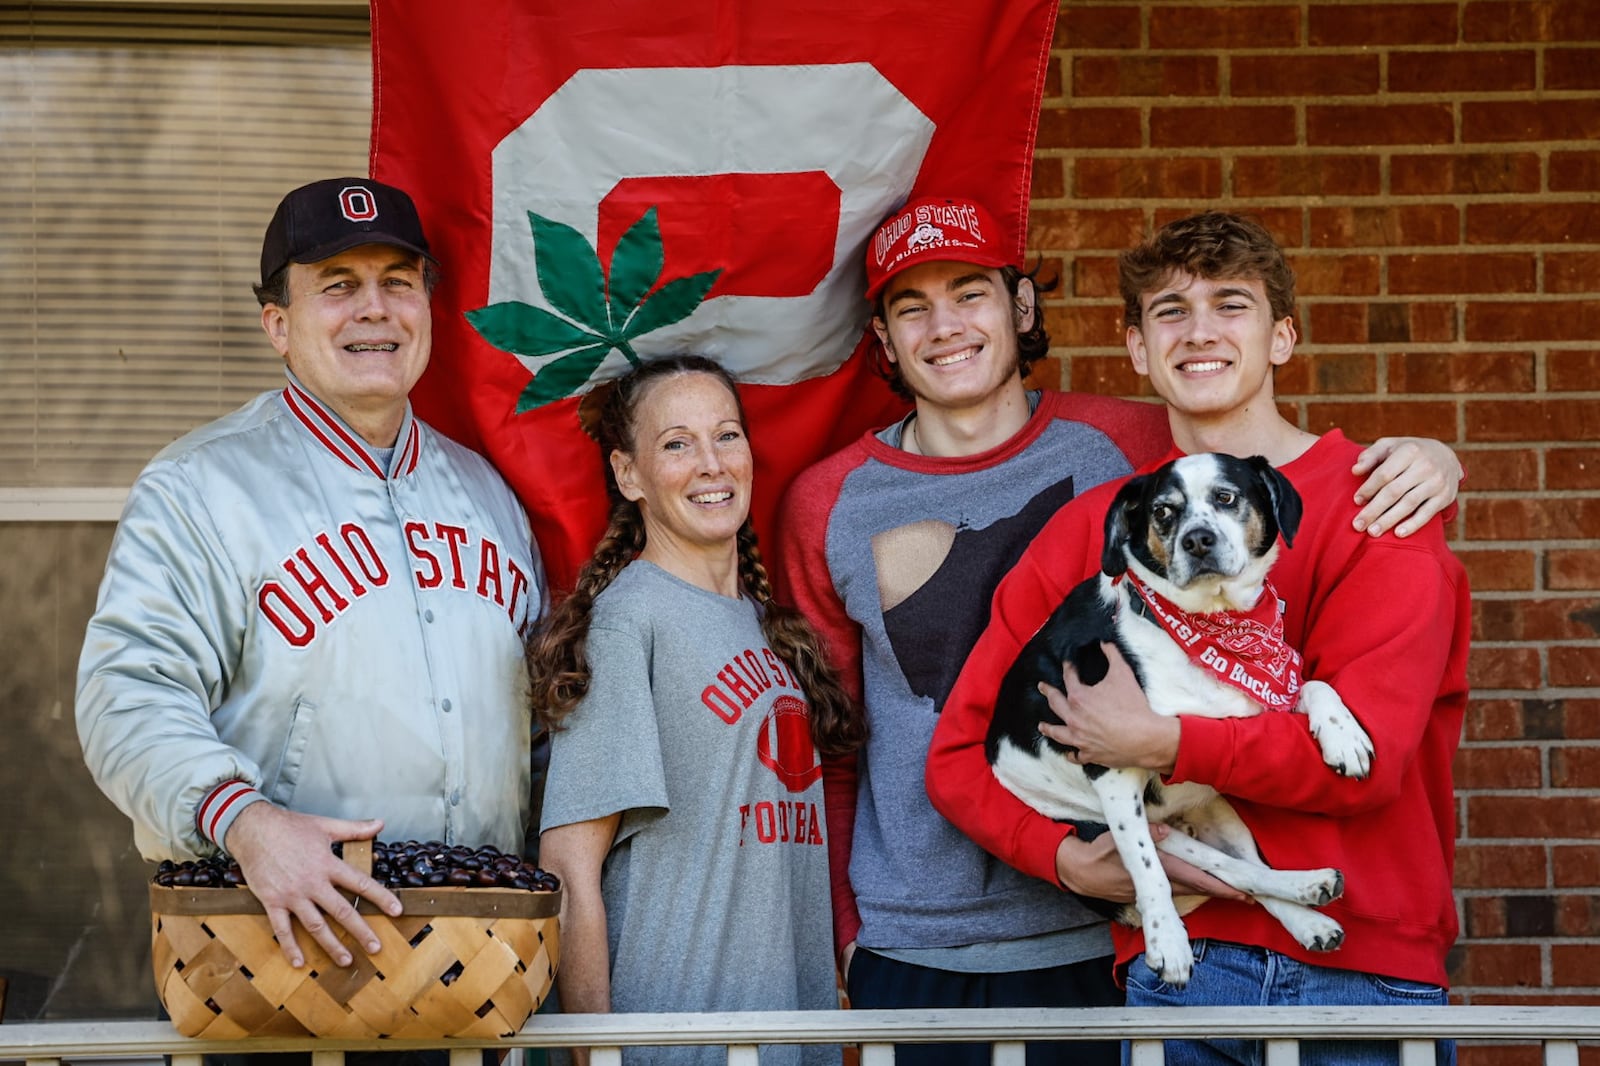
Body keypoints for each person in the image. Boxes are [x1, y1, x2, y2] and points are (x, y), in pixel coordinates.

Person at [775, 195, 1463, 1066]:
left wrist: (1158, 740)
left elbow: (1366, 761)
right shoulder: (1107, 517)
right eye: (1171, 312)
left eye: (1231, 306)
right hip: (1164, 965)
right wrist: (1059, 858)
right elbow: (933, 752)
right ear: (1137, 347)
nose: (1199, 334)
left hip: (1356, 969)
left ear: (1284, 336)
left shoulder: (1376, 501)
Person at [77, 177, 544, 972]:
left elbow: (541, 725)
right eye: (338, 286)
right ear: (278, 325)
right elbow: (126, 693)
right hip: (276, 962)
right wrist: (246, 821)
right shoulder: (199, 486)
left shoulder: (489, 496)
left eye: (398, 282)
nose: (374, 308)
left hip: (476, 964)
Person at [532, 355, 859, 1066]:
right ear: (630, 475)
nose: (711, 464)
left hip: (784, 1042)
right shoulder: (630, 623)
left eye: (727, 436)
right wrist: (597, 1055)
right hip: (674, 1042)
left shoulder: (769, 629)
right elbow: (568, 863)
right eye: (677, 444)